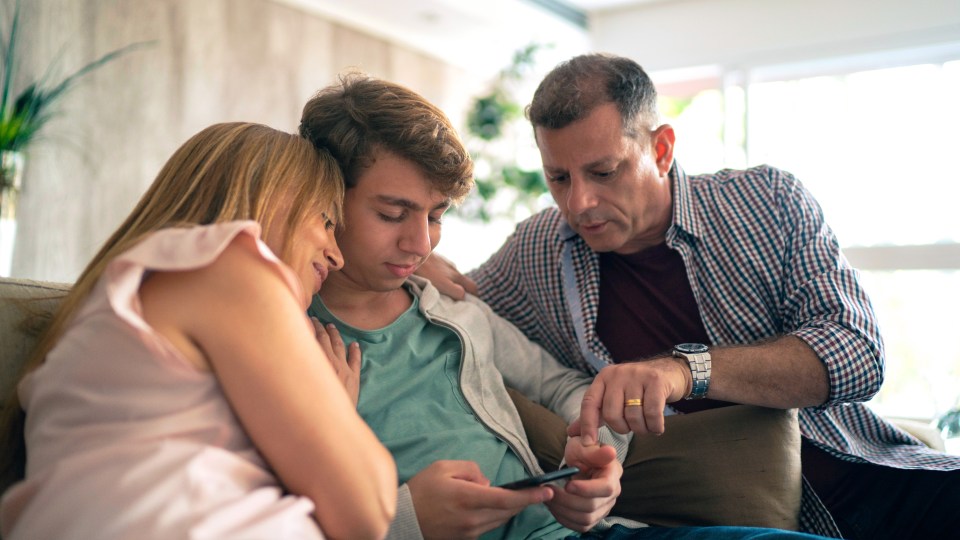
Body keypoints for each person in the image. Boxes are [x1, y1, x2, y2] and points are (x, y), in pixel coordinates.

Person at [418, 53, 960, 539]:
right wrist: (421, 260)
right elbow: (457, 314)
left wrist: (686, 369)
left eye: (604, 172)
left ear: (661, 148)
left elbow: (858, 355)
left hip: (874, 482)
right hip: (721, 522)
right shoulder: (538, 249)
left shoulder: (766, 202)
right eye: (558, 177)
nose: (579, 202)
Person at [298, 72, 832, 540]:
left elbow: (561, 388)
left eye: (436, 216)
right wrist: (405, 523)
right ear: (322, 200)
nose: (422, 243)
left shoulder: (453, 309)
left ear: (662, 151)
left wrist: (598, 459)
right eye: (395, 213)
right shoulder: (283, 340)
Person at [0, 123, 397, 539]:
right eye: (327, 221)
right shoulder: (227, 267)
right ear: (271, 191)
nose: (336, 257)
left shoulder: (139, 301)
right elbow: (368, 509)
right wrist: (334, 406)